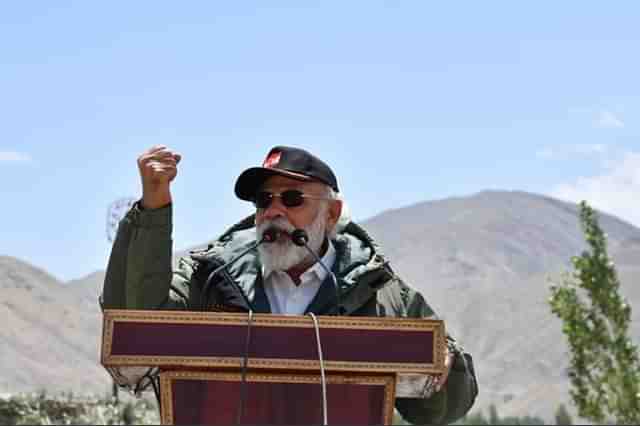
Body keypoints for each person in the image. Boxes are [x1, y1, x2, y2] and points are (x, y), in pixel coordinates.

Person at [101, 145, 478, 424]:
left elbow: (444, 408)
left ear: (330, 214)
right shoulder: (212, 277)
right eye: (264, 199)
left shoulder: (376, 290)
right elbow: (136, 318)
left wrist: (445, 368)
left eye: (292, 198)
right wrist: (154, 208)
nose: (273, 211)